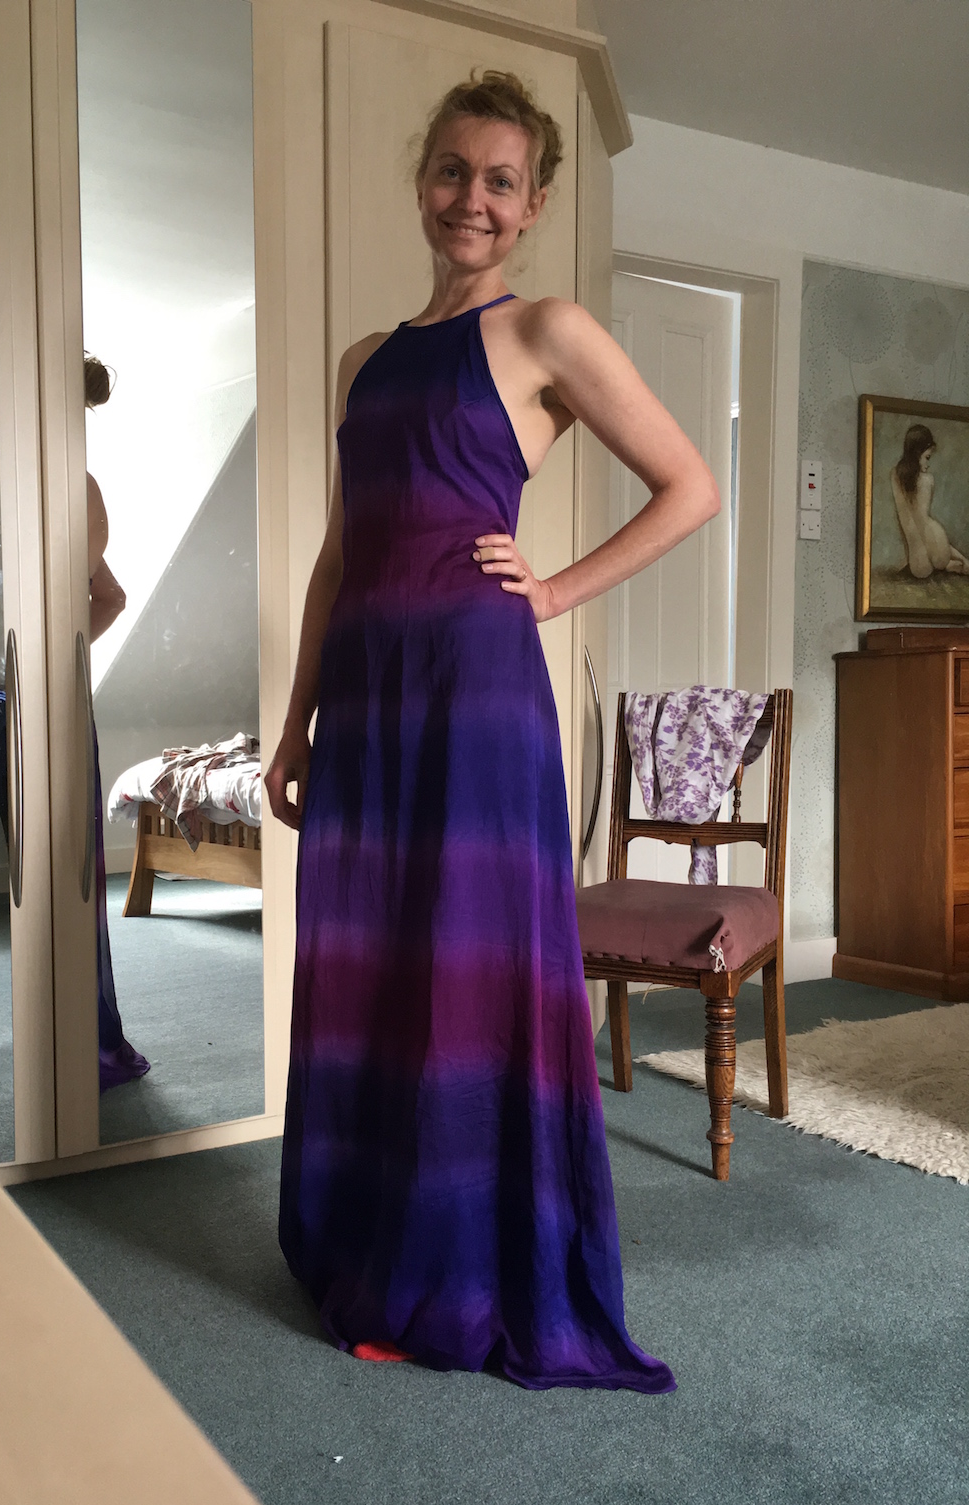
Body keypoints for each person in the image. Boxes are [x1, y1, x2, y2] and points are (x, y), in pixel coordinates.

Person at [266, 71, 721, 1392]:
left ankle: (465, 1264)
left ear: (532, 207)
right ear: (424, 182)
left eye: (501, 182)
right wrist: (294, 724)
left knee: (466, 970)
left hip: (475, 694)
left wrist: (556, 590)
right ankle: (373, 1239)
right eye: (454, 171)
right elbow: (340, 554)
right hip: (369, 696)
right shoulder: (363, 361)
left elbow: (690, 485)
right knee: (373, 961)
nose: (473, 198)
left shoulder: (548, 333)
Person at [84, 354, 150, 1092]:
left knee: (58, 858)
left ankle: (71, 1031)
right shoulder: (84, 486)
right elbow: (112, 596)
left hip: (46, 685)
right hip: (60, 683)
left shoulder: (61, 486)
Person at [890, 423, 969, 579]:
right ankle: (949, 564)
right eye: (927, 457)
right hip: (936, 548)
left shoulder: (895, 475)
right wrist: (962, 557)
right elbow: (924, 522)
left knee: (924, 567)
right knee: (938, 554)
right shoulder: (927, 480)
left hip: (918, 562)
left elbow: (905, 520)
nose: (928, 463)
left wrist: (908, 557)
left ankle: (948, 564)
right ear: (917, 453)